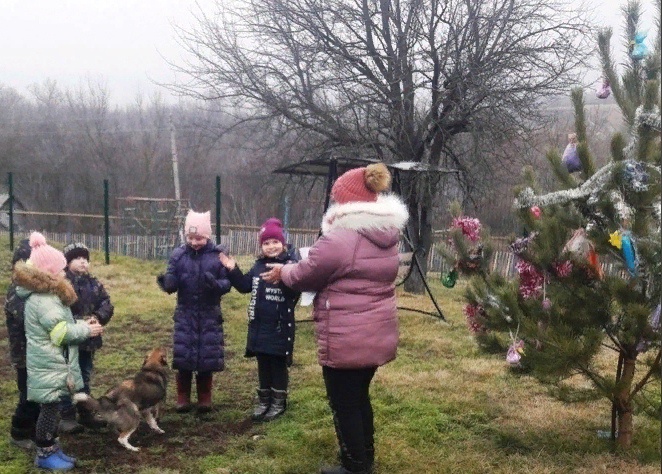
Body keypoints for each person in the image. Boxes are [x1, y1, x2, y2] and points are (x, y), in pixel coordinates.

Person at [261, 162, 408, 474]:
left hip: (347, 336)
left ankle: (355, 465)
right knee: (358, 397)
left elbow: (306, 273)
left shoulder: (341, 239)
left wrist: (282, 270)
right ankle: (363, 457)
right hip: (374, 332)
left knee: (344, 402)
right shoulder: (386, 235)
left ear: (347, 201)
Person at [14, 232, 103, 470]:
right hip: (48, 364)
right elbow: (60, 333)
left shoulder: (47, 296)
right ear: (49, 273)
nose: (64, 273)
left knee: (52, 409)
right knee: (49, 411)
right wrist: (85, 329)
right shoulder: (44, 300)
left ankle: (53, 449)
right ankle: (44, 452)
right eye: (61, 269)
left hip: (53, 363)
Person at [219, 218, 300, 422]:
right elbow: (245, 285)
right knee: (263, 362)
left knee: (277, 364)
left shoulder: (290, 265)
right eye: (266, 243)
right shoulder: (258, 265)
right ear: (261, 246)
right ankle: (264, 400)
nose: (271, 246)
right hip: (259, 325)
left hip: (280, 326)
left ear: (283, 242)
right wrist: (232, 269)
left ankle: (278, 401)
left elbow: (294, 292)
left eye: (275, 241)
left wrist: (282, 277)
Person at [157, 210, 231, 413]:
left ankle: (205, 397)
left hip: (209, 314)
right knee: (184, 357)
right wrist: (167, 282)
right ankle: (182, 396)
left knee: (207, 357)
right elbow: (171, 280)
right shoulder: (178, 255)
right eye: (190, 237)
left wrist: (215, 284)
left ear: (207, 236)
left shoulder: (218, 256)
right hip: (185, 314)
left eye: (199, 238)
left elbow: (227, 284)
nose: (194, 242)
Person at [58, 242, 114, 433]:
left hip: (89, 342)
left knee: (85, 375)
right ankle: (66, 415)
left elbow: (107, 303)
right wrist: (78, 323)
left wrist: (97, 317)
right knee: (67, 378)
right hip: (69, 340)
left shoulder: (94, 284)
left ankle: (86, 412)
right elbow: (58, 311)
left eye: (85, 259)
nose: (83, 262)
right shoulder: (62, 284)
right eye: (78, 258)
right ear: (67, 261)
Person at [5, 239, 40, 449]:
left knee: (36, 394)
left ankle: (35, 429)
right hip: (24, 355)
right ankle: (19, 433)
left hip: (35, 352)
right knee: (27, 395)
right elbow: (25, 318)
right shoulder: (17, 292)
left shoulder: (31, 290)